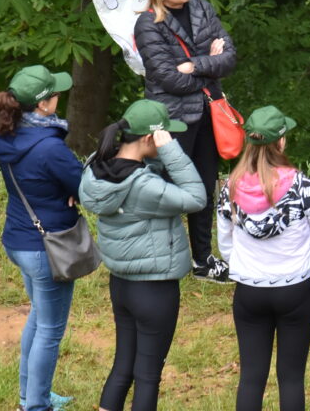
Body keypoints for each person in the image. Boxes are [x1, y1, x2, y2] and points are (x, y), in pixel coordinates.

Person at [79, 99, 206, 411]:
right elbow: (196, 197)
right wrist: (171, 152)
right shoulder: (144, 185)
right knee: (148, 376)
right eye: (166, 136)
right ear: (150, 138)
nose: (170, 140)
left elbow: (140, 168)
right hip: (154, 289)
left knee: (123, 366)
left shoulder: (98, 165)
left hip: (121, 284)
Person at [134, 0, 238, 283]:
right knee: (167, 189)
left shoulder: (202, 8)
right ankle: (160, 256)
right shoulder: (148, 23)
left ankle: (202, 258)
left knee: (205, 186)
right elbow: (170, 81)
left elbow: (230, 57)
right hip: (173, 118)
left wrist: (195, 65)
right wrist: (211, 60)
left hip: (209, 112)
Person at [0, 65, 84, 411]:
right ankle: (36, 406)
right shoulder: (50, 148)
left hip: (18, 239)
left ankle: (31, 395)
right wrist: (74, 189)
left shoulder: (0, 134)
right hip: (47, 247)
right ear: (43, 105)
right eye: (56, 93)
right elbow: (83, 187)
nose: (60, 96)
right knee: (50, 330)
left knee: (38, 318)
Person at [215, 106, 310, 411]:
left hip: (250, 290)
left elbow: (226, 244)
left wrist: (248, 268)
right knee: (291, 377)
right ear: (281, 142)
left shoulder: (230, 187)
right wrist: (303, 266)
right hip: (296, 288)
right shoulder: (302, 187)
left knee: (250, 377)